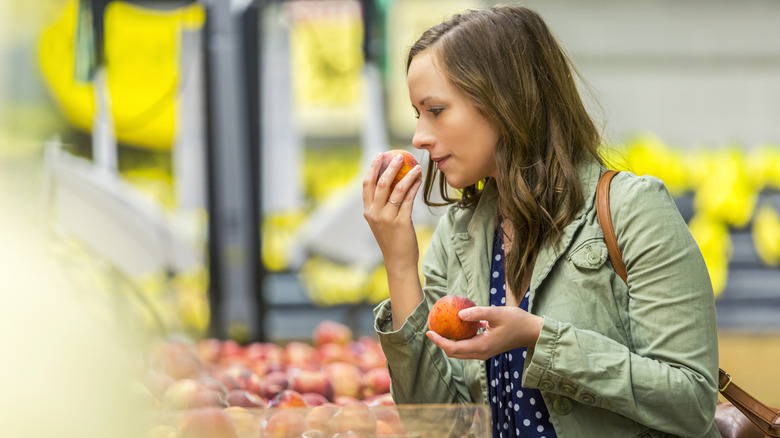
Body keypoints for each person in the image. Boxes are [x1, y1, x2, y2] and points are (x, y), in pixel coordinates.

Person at [362, 5, 721, 438]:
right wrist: (399, 263)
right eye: (418, 113)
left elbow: (691, 402)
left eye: (435, 110)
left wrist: (540, 338)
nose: (419, 135)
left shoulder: (633, 211)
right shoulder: (457, 236)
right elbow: (439, 426)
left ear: (503, 101)